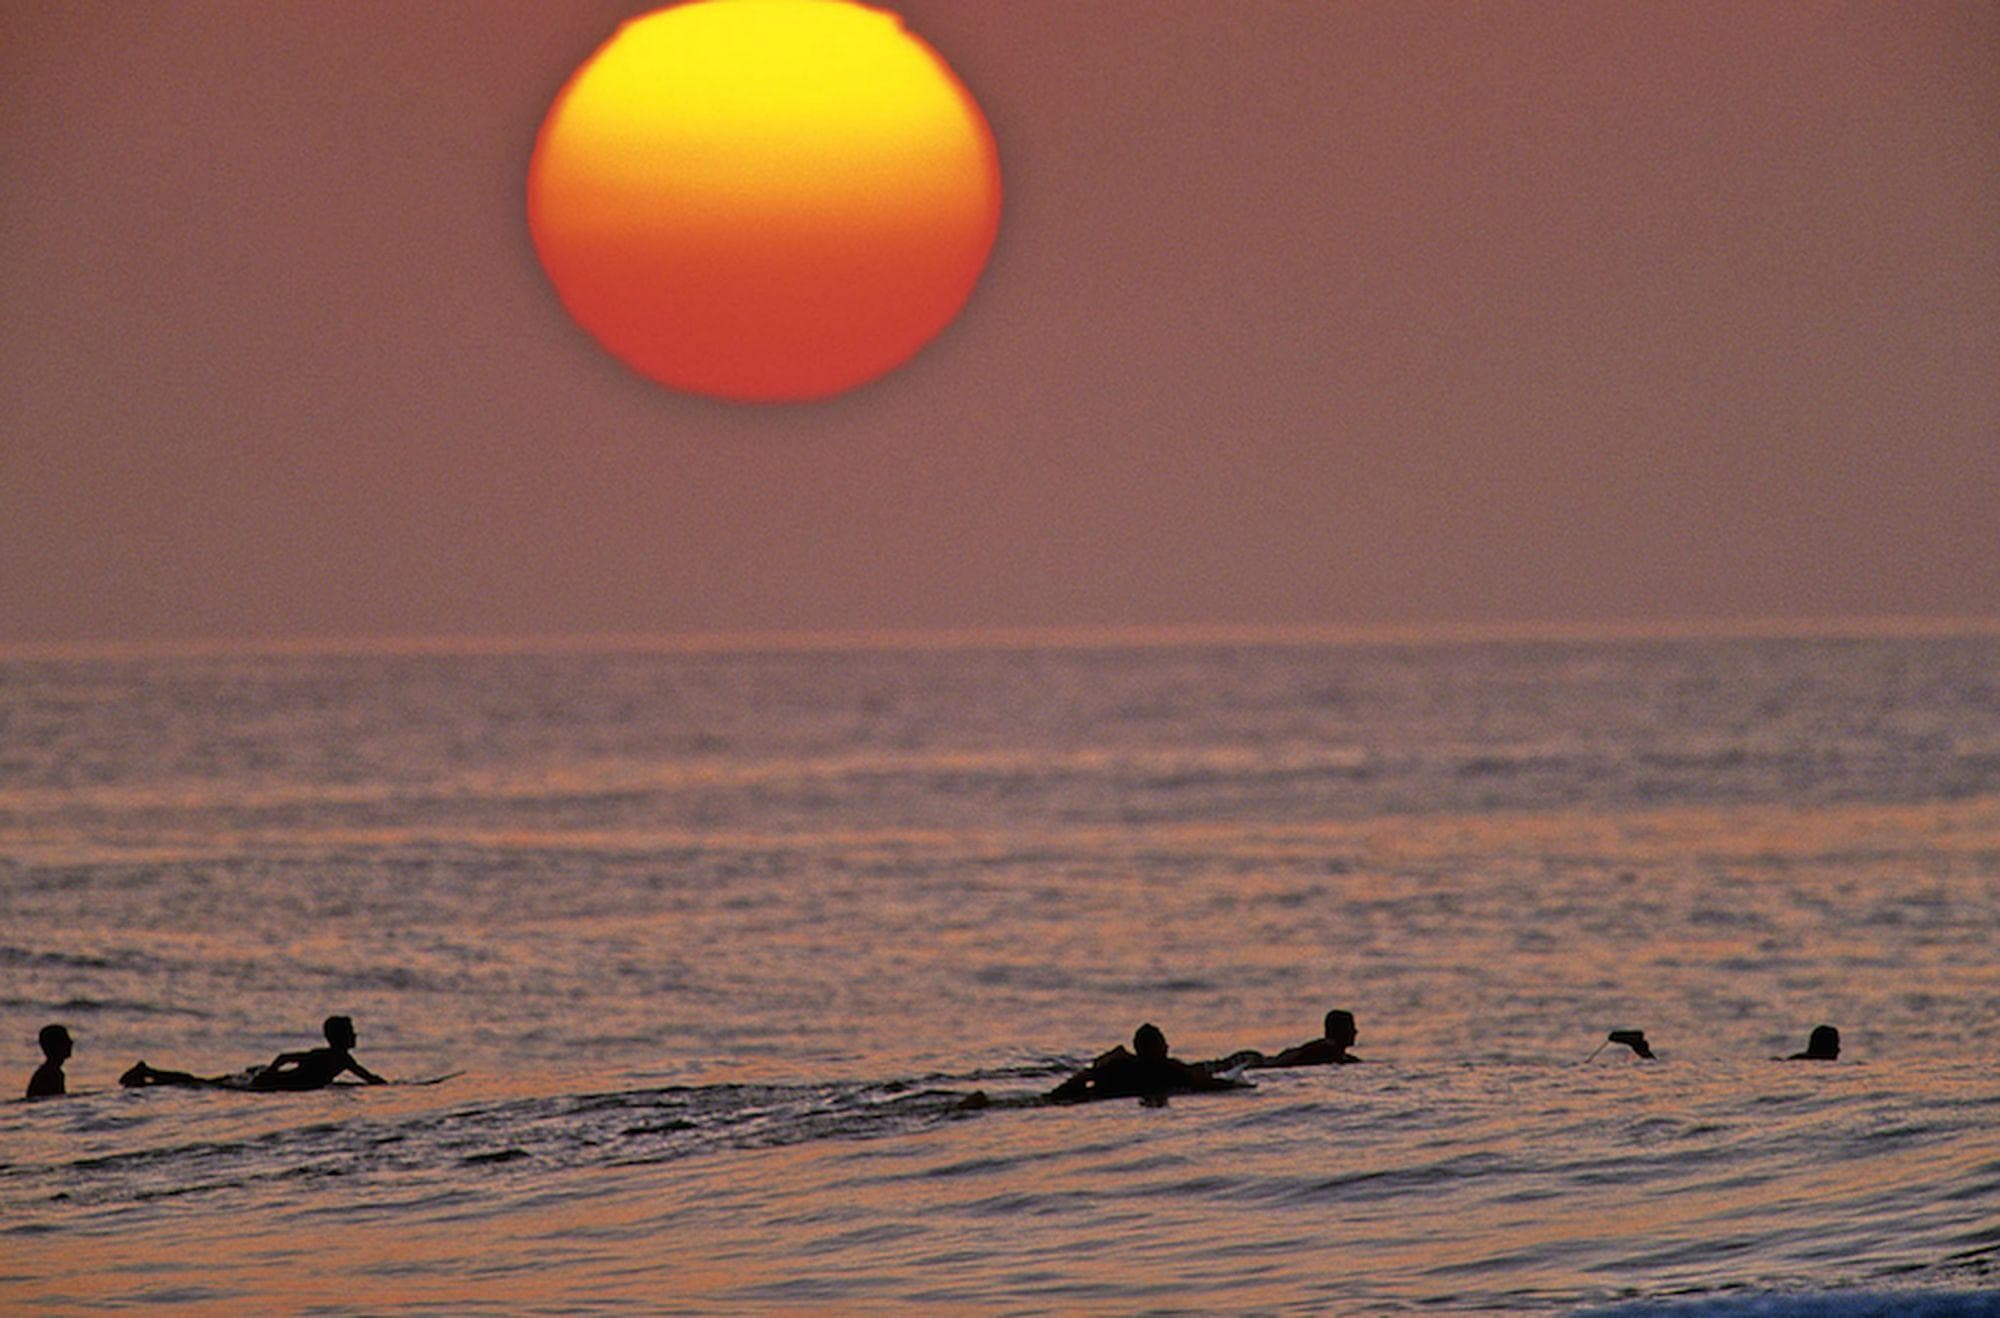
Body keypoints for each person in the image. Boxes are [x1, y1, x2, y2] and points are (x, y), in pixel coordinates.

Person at [121, 1015, 388, 1091]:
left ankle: (150, 1075)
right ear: (341, 1037)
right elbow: (369, 1078)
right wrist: (268, 1077)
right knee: (199, 1083)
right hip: (270, 1082)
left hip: (268, 1079)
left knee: (201, 1082)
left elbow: (286, 1058)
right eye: (351, 1031)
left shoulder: (328, 1055)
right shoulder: (339, 1058)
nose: (356, 1035)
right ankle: (148, 1073)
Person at [1047, 1023, 1248, 1103]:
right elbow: (1203, 1083)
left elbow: (1084, 1077)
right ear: (1155, 1048)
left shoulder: (1118, 1065)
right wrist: (1238, 1087)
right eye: (1162, 1043)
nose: (1167, 1046)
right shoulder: (1168, 1069)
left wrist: (1052, 1097)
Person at [26, 1024, 71, 1099]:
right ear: (56, 1045)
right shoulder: (52, 1074)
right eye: (65, 1039)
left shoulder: (49, 1071)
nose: (70, 1042)